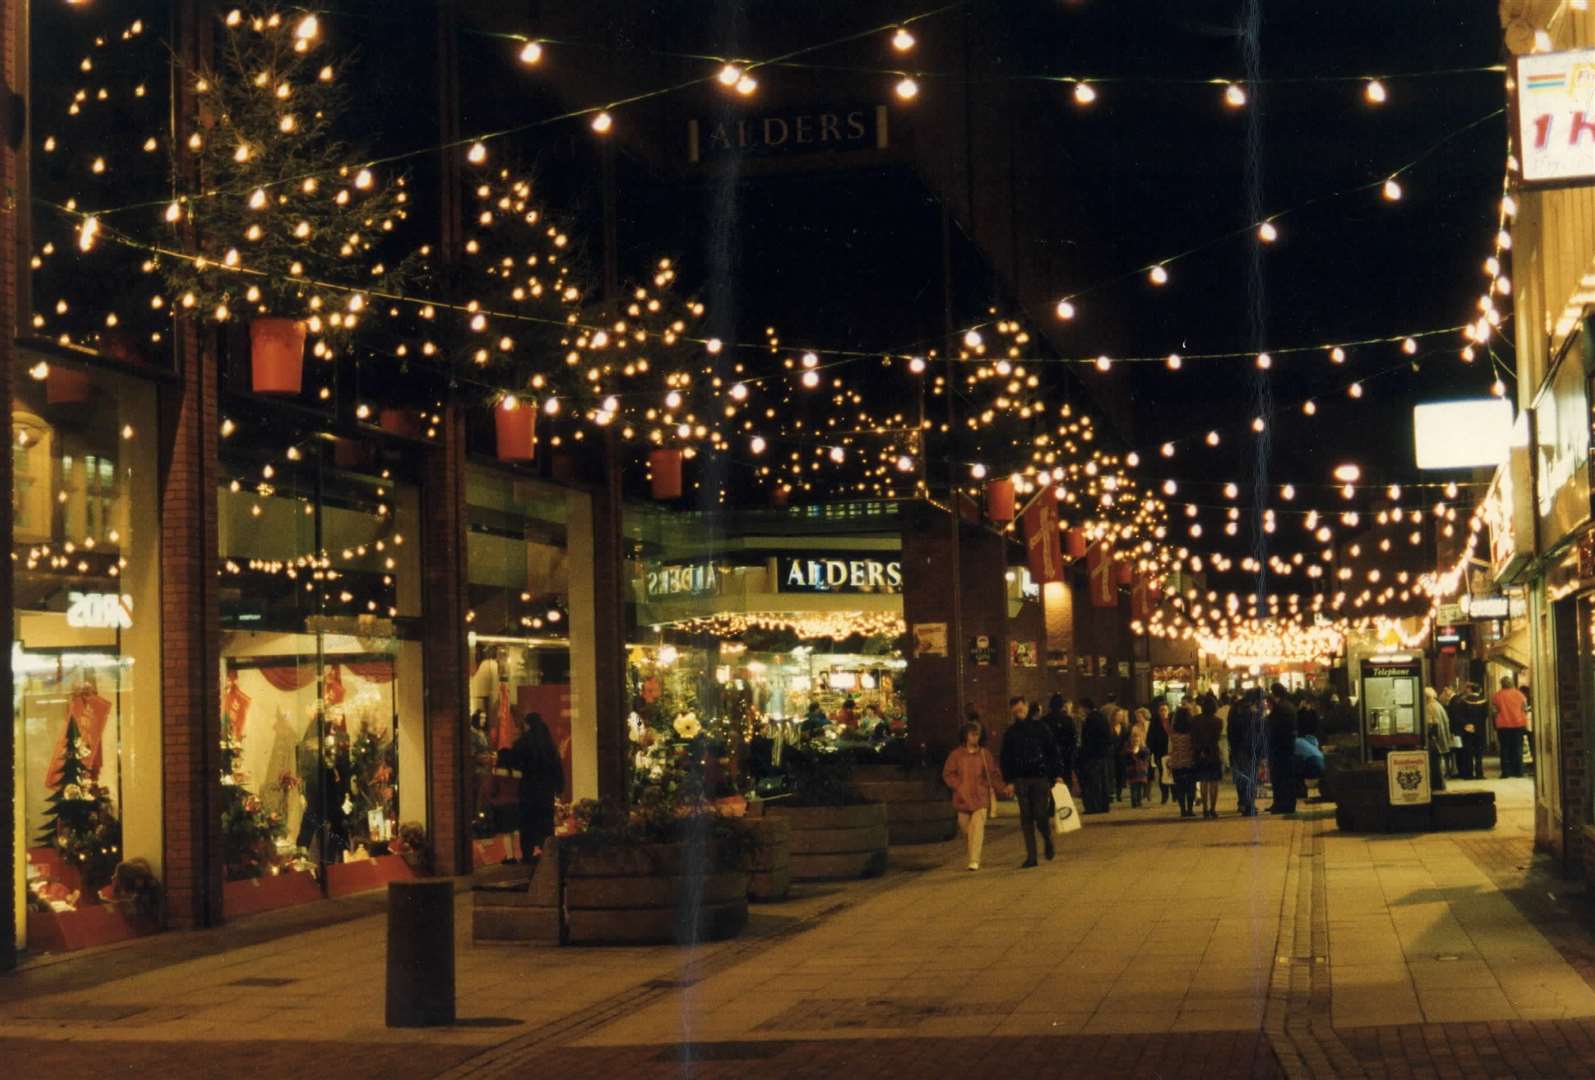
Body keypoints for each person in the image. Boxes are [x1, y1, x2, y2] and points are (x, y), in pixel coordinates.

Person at [999, 695, 1064, 867]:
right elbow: (1006, 758)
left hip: (1040, 777)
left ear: (1027, 707)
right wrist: (1009, 781)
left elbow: (1052, 751)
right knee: (1026, 818)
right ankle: (1032, 856)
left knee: (1040, 815)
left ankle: (1047, 838)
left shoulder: (1040, 728)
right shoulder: (1011, 733)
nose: (1018, 713)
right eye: (1015, 710)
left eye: (1021, 709)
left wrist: (1057, 774)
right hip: (1021, 779)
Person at [942, 719, 1009, 870]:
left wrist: (1002, 788)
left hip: (980, 798)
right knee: (967, 830)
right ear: (965, 735)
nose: (974, 738)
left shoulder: (985, 755)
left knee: (977, 828)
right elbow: (948, 774)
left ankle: (974, 860)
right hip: (962, 799)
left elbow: (993, 774)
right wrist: (958, 786)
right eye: (972, 734)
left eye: (977, 734)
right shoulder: (956, 755)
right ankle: (973, 855)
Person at [498, 712, 563, 862]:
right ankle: (548, 851)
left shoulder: (523, 742)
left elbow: (513, 761)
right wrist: (558, 786)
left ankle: (527, 853)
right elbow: (556, 767)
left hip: (528, 789)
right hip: (546, 791)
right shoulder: (548, 743)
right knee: (545, 821)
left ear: (528, 724)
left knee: (527, 822)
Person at [1228, 689, 1265, 816]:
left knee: (1241, 776)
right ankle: (1249, 805)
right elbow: (1259, 731)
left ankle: (1243, 803)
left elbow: (1230, 729)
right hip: (1250, 748)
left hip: (1237, 747)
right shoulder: (1253, 711)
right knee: (1251, 776)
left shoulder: (1235, 708)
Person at [1265, 684, 1298, 815]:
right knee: (1287, 777)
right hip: (1288, 746)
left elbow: (1272, 726)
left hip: (1279, 748)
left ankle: (1281, 804)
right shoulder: (1290, 706)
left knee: (1279, 778)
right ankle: (1286, 803)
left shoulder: (1280, 708)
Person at [1077, 699, 1115, 814]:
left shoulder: (1090, 720)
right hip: (1102, 755)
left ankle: (1093, 807)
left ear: (1085, 708)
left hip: (1092, 756)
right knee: (1103, 781)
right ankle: (1104, 805)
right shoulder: (1102, 717)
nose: (1079, 711)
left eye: (1080, 708)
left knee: (1092, 782)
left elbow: (1087, 740)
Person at [1191, 697, 1224, 818]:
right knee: (1214, 782)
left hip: (1200, 753)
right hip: (1213, 752)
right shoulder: (1218, 721)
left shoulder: (1195, 720)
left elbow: (1193, 737)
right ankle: (1213, 809)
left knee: (1203, 781)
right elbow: (1217, 737)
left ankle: (1205, 809)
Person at [1492, 676, 1530, 779]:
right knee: (1518, 748)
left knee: (1504, 749)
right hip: (1518, 724)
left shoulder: (1497, 696)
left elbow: (1495, 711)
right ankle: (1519, 771)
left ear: (1502, 684)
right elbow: (1525, 709)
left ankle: (1505, 772)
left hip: (1503, 725)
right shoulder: (1520, 695)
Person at [1452, 682, 1489, 779]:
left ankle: (1469, 774)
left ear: (1470, 690)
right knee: (1478, 752)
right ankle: (1479, 773)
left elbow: (1458, 716)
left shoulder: (1463, 701)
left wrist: (1467, 724)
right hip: (1480, 729)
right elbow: (1485, 715)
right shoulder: (1484, 701)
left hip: (1467, 729)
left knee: (1468, 752)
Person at [1167, 703, 1196, 817]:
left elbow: (1170, 750)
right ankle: (1190, 809)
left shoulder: (1173, 735)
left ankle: (1182, 810)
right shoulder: (1191, 734)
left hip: (1177, 763)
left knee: (1180, 787)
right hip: (1190, 762)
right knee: (1190, 787)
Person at [1043, 694, 1078, 786]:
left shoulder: (1044, 720)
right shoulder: (1068, 720)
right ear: (1062, 705)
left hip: (1049, 757)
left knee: (1050, 783)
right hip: (1065, 756)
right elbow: (1073, 740)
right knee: (1065, 783)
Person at [1422, 687, 1451, 792]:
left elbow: (1430, 724)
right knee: (1438, 763)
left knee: (1435, 765)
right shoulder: (1438, 705)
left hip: (1434, 741)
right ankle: (1441, 784)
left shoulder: (1429, 707)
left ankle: (1438, 785)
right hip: (1441, 739)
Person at [1148, 700, 1172, 804]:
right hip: (1160, 752)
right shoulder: (1155, 723)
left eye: (1165, 710)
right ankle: (1164, 795)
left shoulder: (1173, 721)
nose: (1163, 712)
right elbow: (1150, 738)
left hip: (1172, 751)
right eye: (1161, 710)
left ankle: (1175, 794)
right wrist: (1152, 751)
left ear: (1168, 710)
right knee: (1163, 774)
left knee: (1173, 773)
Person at [1126, 716, 1152, 807]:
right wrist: (1132, 752)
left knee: (1140, 787)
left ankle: (1139, 800)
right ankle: (1134, 801)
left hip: (1141, 770)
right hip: (1132, 770)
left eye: (1137, 739)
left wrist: (1138, 751)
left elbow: (1146, 756)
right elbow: (1127, 757)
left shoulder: (1143, 749)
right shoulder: (1128, 749)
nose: (1135, 741)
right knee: (1134, 787)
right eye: (1134, 739)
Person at [1110, 708, 1130, 803]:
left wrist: (1124, 749)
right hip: (1111, 754)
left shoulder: (1124, 727)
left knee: (1120, 774)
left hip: (1121, 754)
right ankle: (1111, 793)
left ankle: (1119, 794)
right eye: (1118, 715)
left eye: (1121, 716)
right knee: (1111, 774)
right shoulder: (1109, 726)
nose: (1119, 717)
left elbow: (1126, 740)